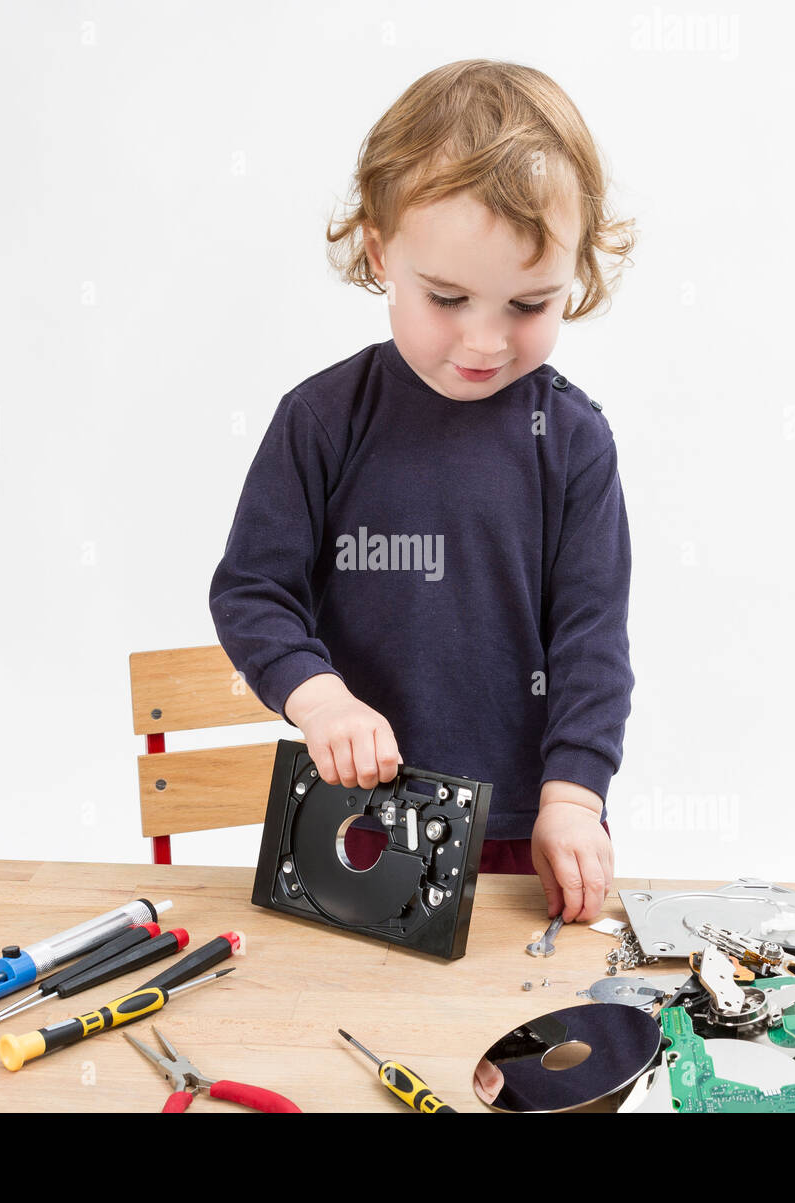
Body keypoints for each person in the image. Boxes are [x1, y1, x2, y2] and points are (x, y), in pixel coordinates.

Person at [209, 59, 635, 923]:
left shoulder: (576, 442)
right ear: (379, 253)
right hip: (360, 814)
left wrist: (575, 797)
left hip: (526, 825)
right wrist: (317, 697)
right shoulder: (323, 420)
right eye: (448, 297)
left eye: (529, 304)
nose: (485, 340)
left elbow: (592, 641)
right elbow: (253, 592)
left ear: (576, 275)